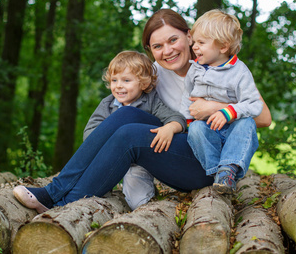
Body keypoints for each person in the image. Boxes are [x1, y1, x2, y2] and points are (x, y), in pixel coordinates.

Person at [12, 8, 272, 213]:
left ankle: (64, 203)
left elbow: (263, 117)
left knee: (130, 137)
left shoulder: (219, 67)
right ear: (150, 51)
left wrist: (215, 107)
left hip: (209, 161)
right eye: (157, 46)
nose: (167, 51)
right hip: (178, 149)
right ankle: (54, 191)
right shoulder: (154, 74)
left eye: (173, 40)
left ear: (189, 36)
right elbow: (118, 97)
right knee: (124, 115)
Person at [14, 50, 186, 212]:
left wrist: (170, 127)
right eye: (114, 80)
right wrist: (109, 144)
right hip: (115, 159)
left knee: (138, 202)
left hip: (142, 161)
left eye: (126, 80)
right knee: (92, 164)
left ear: (144, 82)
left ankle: (56, 198)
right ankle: (56, 200)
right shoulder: (108, 104)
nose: (119, 86)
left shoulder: (151, 101)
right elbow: (91, 135)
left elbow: (176, 118)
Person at [180, 9, 263, 194]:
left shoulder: (240, 72)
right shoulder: (195, 70)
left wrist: (228, 112)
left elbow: (255, 105)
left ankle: (228, 170)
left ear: (223, 47)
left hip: (233, 129)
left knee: (247, 124)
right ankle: (216, 174)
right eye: (194, 42)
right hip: (208, 129)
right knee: (195, 129)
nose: (194, 47)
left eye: (201, 43)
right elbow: (187, 97)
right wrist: (187, 119)